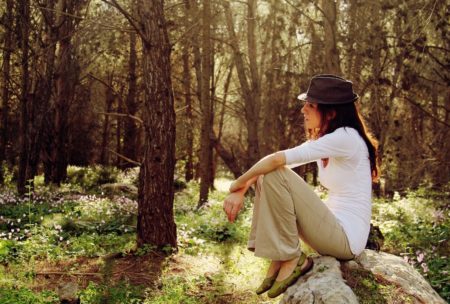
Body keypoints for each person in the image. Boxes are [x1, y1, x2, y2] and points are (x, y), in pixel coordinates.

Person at [223, 74, 379, 298]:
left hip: (345, 240)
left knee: (275, 172)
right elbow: (276, 162)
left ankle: (292, 258)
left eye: (310, 105)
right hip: (332, 229)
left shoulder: (346, 137)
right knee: (267, 175)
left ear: (331, 112)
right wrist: (242, 188)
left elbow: (277, 160)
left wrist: (236, 186)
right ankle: (281, 255)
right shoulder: (328, 139)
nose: (303, 110)